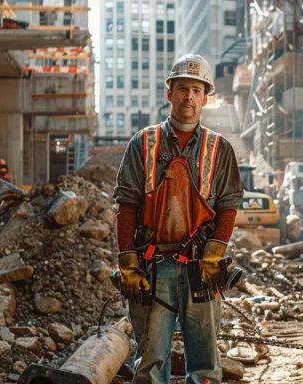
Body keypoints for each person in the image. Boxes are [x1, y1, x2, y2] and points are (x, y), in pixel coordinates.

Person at [113, 54, 244, 384]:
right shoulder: (143, 144)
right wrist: (128, 263)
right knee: (151, 361)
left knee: (204, 361)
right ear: (169, 92)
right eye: (182, 88)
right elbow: (126, 205)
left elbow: (228, 206)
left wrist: (215, 253)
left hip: (200, 268)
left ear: (205, 96)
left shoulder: (220, 148)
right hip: (152, 266)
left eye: (196, 90)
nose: (189, 96)